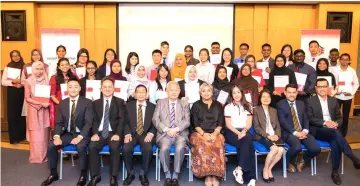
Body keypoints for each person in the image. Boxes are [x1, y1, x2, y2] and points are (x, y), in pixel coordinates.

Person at [307, 78, 360, 185]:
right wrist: (325, 123)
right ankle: (352, 157)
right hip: (318, 130)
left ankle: (334, 172)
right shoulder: (309, 101)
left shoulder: (333, 100)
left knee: (336, 141)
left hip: (332, 130)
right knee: (336, 134)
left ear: (328, 88)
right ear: (316, 88)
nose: (322, 89)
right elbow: (310, 118)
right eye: (320, 87)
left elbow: (339, 117)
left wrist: (336, 123)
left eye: (324, 86)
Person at [41, 78, 93, 186]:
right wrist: (56, 136)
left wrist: (80, 137)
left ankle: (83, 174)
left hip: (82, 134)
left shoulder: (87, 102)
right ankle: (53, 173)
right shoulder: (63, 103)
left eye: (75, 87)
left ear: (79, 88)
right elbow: (59, 122)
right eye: (70, 87)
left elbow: (89, 123)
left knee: (80, 147)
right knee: (51, 146)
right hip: (68, 133)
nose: (73, 89)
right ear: (67, 89)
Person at [87, 77, 125, 186]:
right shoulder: (95, 103)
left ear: (113, 89)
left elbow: (122, 120)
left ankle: (113, 176)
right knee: (92, 146)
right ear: (101, 89)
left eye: (110, 87)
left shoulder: (120, 102)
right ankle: (95, 176)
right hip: (99, 132)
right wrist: (94, 133)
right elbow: (93, 120)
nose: (107, 89)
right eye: (105, 87)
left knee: (114, 147)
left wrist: (118, 134)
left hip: (113, 133)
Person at [152, 81, 190, 186]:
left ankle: (176, 175)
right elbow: (155, 119)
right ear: (167, 91)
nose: (173, 92)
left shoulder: (184, 104)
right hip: (164, 133)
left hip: (180, 133)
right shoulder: (160, 102)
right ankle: (167, 174)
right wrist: (166, 129)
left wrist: (176, 129)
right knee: (164, 148)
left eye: (176, 90)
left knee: (180, 148)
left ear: (179, 91)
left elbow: (187, 121)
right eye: (171, 90)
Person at [277, 84, 320, 173]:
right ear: (285, 93)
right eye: (289, 92)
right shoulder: (280, 104)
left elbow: (306, 118)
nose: (291, 94)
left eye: (294, 92)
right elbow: (283, 121)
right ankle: (285, 161)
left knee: (316, 149)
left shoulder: (301, 103)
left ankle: (303, 159)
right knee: (296, 147)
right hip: (289, 132)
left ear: (297, 93)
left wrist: (305, 130)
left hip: (302, 132)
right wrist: (295, 133)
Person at [190, 82, 225, 186]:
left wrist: (215, 133)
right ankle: (207, 175)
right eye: (203, 91)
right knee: (204, 143)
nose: (206, 93)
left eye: (208, 91)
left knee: (217, 142)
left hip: (216, 131)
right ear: (200, 93)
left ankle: (215, 175)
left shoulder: (218, 105)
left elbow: (221, 122)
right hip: (198, 132)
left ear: (212, 92)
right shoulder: (196, 105)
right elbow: (194, 122)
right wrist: (203, 133)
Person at [123, 85, 156, 186]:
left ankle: (143, 173)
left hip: (146, 134)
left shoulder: (153, 106)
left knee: (148, 149)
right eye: (138, 92)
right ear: (135, 94)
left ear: (147, 95)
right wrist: (127, 133)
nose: (141, 94)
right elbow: (124, 122)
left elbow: (156, 122)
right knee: (126, 148)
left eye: (143, 92)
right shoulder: (128, 105)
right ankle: (130, 173)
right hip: (132, 134)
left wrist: (151, 133)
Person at [224, 85, 256, 186]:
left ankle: (239, 169)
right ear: (231, 95)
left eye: (238, 92)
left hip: (245, 130)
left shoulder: (248, 105)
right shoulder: (228, 107)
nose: (236, 95)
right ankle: (251, 177)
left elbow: (249, 123)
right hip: (231, 132)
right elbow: (228, 125)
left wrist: (243, 131)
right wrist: (238, 133)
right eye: (234, 93)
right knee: (248, 143)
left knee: (246, 141)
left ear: (242, 93)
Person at [253, 89, 284, 183]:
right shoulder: (256, 110)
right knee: (274, 149)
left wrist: (277, 135)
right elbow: (257, 127)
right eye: (264, 96)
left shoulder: (274, 110)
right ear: (260, 98)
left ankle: (269, 169)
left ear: (271, 99)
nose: (266, 98)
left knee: (281, 150)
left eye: (268, 97)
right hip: (261, 136)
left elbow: (278, 126)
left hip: (273, 135)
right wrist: (267, 136)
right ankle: (265, 169)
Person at [24, 61, 50, 163]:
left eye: (41, 69)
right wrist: (40, 104)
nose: (39, 71)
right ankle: (36, 157)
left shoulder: (46, 80)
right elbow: (27, 98)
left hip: (44, 111)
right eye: (37, 69)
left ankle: (44, 156)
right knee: (35, 133)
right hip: (34, 110)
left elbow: (48, 95)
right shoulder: (28, 81)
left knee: (44, 133)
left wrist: (45, 103)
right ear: (33, 69)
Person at [1, 50, 26, 144]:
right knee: (12, 114)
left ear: (20, 56)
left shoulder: (24, 66)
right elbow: (3, 82)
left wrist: (21, 83)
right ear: (11, 57)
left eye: (17, 55)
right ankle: (14, 137)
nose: (16, 57)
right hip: (12, 93)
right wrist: (12, 82)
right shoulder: (8, 67)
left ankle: (22, 136)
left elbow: (26, 80)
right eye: (13, 56)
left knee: (22, 115)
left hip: (22, 92)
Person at [332, 53, 359, 137]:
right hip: (337, 96)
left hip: (348, 96)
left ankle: (343, 134)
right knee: (335, 115)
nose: (344, 61)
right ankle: (335, 131)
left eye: (346, 59)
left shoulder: (352, 71)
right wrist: (335, 91)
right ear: (339, 60)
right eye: (342, 59)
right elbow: (332, 83)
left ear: (349, 61)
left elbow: (356, 83)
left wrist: (351, 93)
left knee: (345, 116)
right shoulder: (334, 70)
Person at [49, 58, 77, 129]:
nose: (65, 66)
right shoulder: (54, 78)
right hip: (59, 104)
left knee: (72, 125)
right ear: (58, 66)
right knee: (61, 126)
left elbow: (78, 89)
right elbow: (52, 95)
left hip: (73, 104)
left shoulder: (74, 76)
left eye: (67, 64)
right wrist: (60, 104)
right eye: (62, 65)